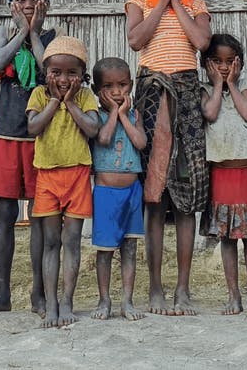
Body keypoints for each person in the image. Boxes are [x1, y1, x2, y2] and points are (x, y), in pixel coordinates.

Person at [125, 0, 211, 316]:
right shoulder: (139, 1)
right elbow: (136, 40)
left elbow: (201, 43)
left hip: (187, 98)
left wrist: (176, 1)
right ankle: (156, 288)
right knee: (154, 196)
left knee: (187, 197)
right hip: (151, 97)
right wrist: (161, 1)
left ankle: (183, 289)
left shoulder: (197, 5)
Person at [0, 0, 55, 318]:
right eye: (21, 0)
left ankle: (38, 293)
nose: (28, 6)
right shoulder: (3, 37)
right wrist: (22, 31)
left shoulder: (54, 39)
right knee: (5, 215)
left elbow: (49, 70)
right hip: (6, 136)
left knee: (39, 216)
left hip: (40, 138)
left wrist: (33, 33)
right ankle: (3, 293)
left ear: (46, 5)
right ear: (11, 5)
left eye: (36, 0)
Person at [201, 34, 247, 316]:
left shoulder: (245, 87)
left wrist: (231, 83)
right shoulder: (204, 89)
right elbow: (210, 114)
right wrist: (218, 85)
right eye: (217, 61)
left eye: (230, 61)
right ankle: (233, 296)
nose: (223, 67)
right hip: (222, 171)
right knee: (227, 238)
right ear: (206, 64)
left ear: (240, 64)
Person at [26, 36, 100, 328]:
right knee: (51, 242)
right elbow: (33, 127)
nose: (64, 79)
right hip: (47, 176)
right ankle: (51, 304)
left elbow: (92, 129)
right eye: (56, 72)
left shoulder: (85, 97)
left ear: (82, 75)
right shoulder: (39, 95)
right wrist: (55, 101)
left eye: (72, 73)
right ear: (46, 73)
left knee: (71, 241)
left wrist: (69, 103)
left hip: (77, 174)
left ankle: (67, 301)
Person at [89, 57, 147, 321]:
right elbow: (103, 138)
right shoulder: (96, 116)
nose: (116, 92)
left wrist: (124, 114)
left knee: (130, 248)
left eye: (122, 85)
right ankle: (104, 300)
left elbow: (141, 142)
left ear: (131, 85)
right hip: (106, 193)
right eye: (108, 87)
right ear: (96, 90)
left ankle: (127, 301)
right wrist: (114, 113)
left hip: (132, 191)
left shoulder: (135, 115)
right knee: (105, 251)